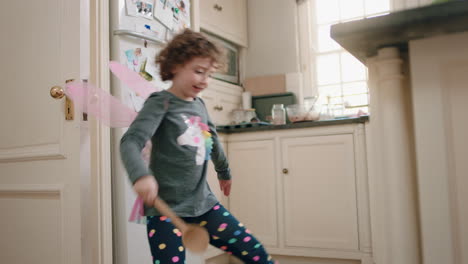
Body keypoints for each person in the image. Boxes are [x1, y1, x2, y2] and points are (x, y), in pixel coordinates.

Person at [120, 29, 278, 264]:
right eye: (199, 71)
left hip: (203, 204)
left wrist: (223, 171)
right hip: (166, 211)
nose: (205, 80)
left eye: (209, 74)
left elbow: (211, 140)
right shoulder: (160, 102)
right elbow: (130, 141)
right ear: (174, 66)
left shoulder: (199, 105)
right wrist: (140, 175)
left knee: (253, 250)